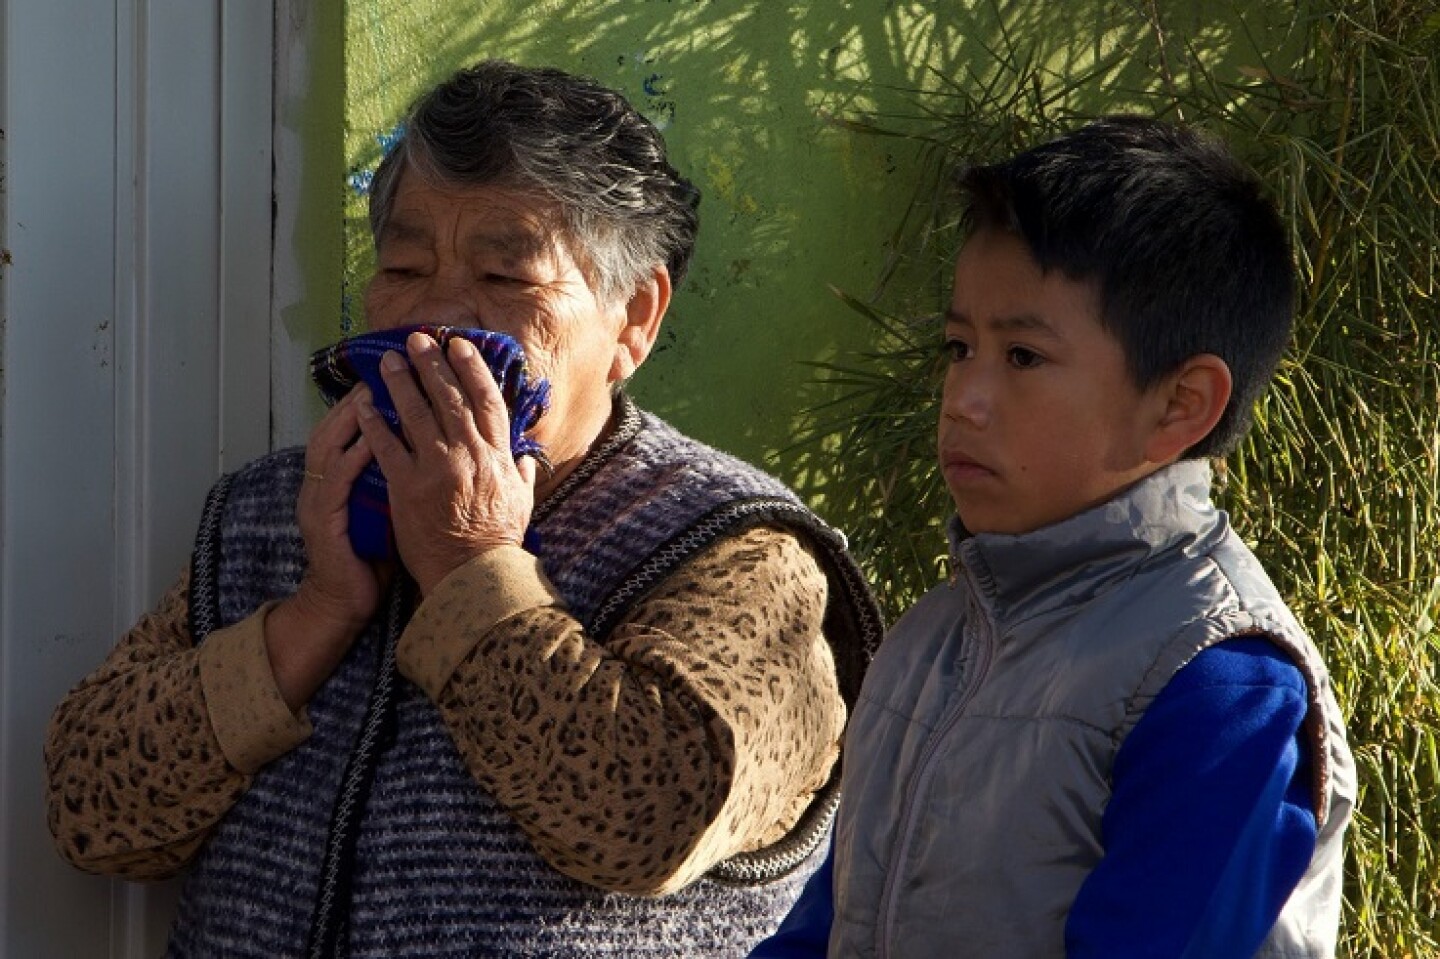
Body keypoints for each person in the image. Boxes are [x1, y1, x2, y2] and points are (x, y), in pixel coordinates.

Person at [45, 60, 881, 958]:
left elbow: (655, 821)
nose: (437, 316)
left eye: (504, 277)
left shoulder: (737, 550)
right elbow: (97, 811)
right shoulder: (272, 509)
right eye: (405, 266)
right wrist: (316, 613)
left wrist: (468, 568)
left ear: (634, 319)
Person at [751, 117, 1356, 958]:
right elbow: (830, 926)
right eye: (958, 347)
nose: (963, 396)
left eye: (1023, 356)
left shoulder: (1221, 681)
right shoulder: (930, 640)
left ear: (1181, 405)